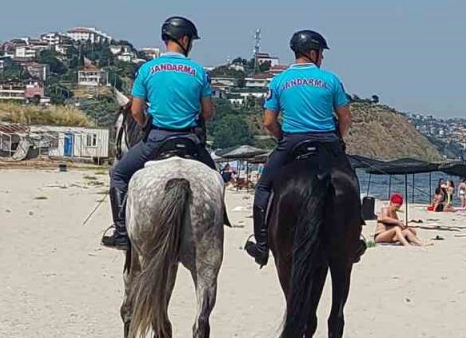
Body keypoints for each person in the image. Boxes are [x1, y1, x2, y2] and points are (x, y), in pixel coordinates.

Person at [103, 16, 219, 249]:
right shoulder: (198, 71)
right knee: (216, 180)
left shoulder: (147, 69)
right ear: (185, 40)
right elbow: (207, 113)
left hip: (156, 139)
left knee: (118, 175)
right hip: (190, 140)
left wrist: (146, 122)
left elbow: (135, 111)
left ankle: (122, 232)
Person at [244, 30, 350, 266]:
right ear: (313, 52)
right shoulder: (331, 80)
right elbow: (345, 118)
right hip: (326, 141)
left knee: (263, 187)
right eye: (321, 53)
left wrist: (282, 138)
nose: (321, 58)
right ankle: (354, 239)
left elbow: (269, 122)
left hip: (292, 141)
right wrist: (337, 139)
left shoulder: (279, 81)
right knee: (350, 182)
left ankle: (261, 245)